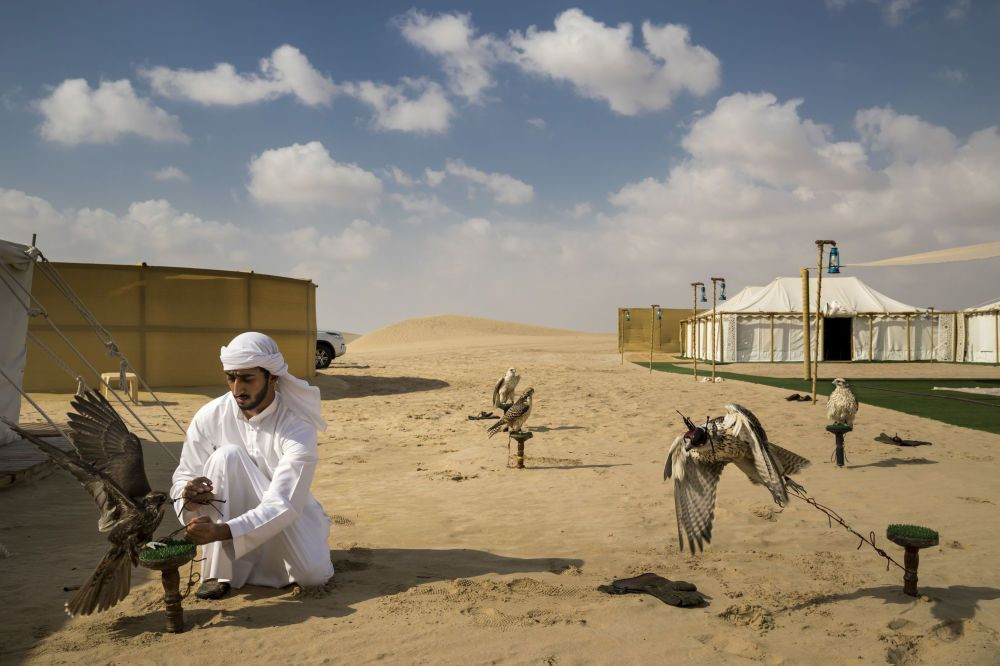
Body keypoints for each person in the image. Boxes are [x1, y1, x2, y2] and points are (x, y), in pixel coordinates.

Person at [170, 332, 334, 599]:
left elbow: (284, 502)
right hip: (224, 523)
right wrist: (187, 498)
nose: (237, 389)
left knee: (313, 577)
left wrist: (221, 531)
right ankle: (217, 572)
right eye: (231, 378)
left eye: (247, 379)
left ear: (273, 377)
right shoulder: (210, 416)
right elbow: (184, 474)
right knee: (227, 456)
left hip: (285, 514)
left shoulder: (296, 424)